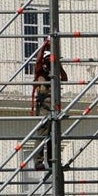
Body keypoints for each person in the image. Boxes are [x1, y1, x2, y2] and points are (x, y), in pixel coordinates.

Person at [32, 37, 67, 171]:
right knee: (42, 133)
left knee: (54, 135)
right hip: (43, 107)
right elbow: (39, 59)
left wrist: (57, 64)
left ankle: (53, 161)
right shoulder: (40, 71)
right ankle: (38, 161)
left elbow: (64, 78)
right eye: (46, 62)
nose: (47, 65)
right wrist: (45, 46)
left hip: (54, 106)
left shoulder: (54, 71)